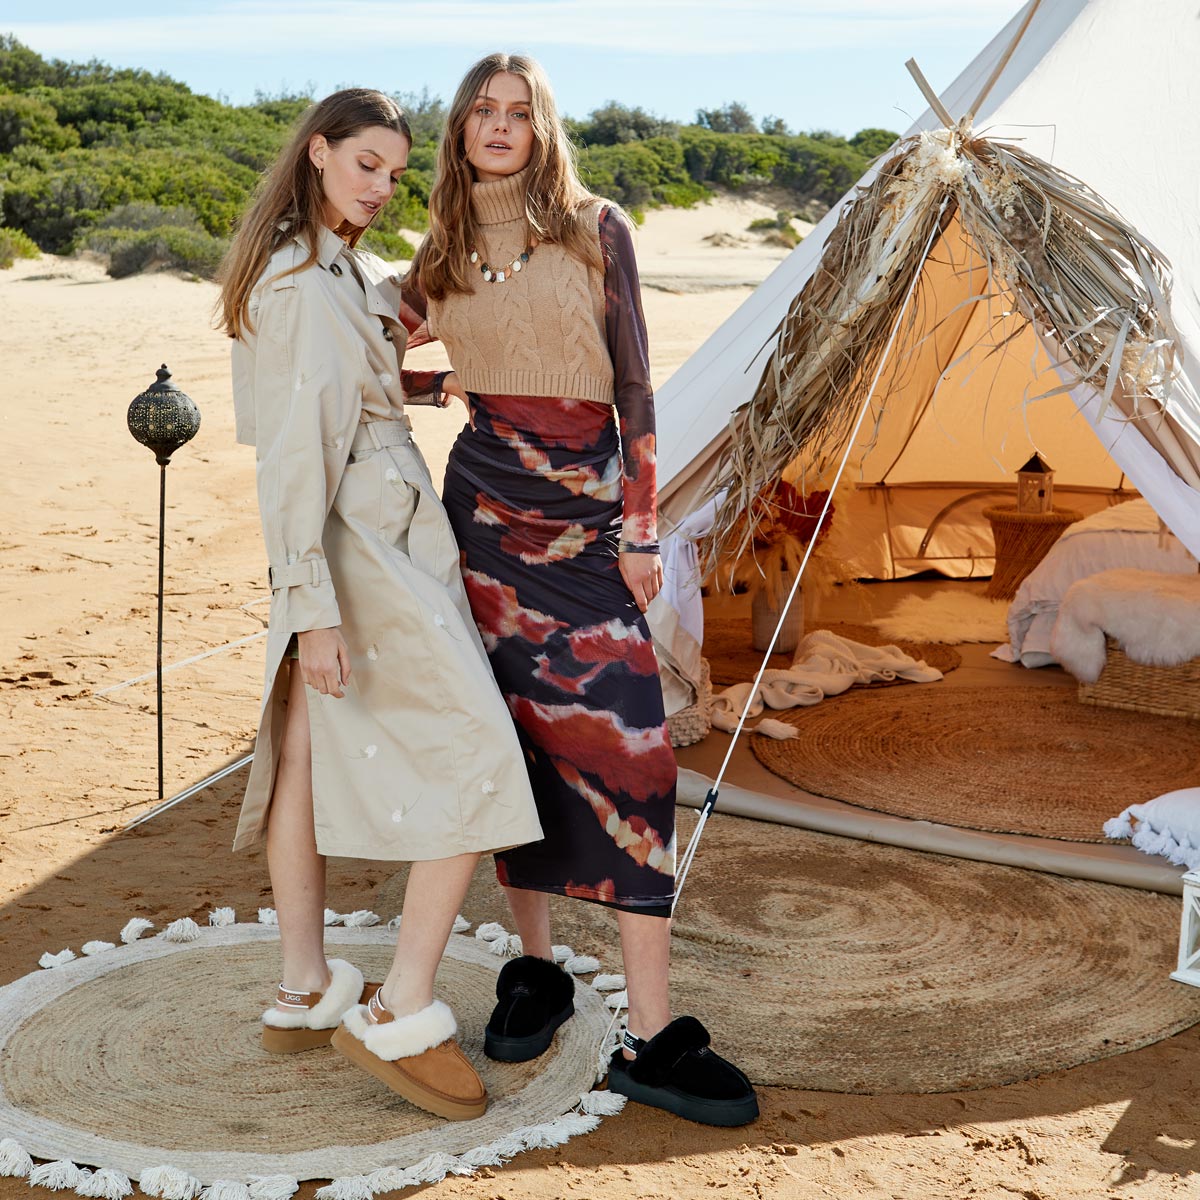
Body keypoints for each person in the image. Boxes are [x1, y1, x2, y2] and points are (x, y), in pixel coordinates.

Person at [401, 55, 758, 1127]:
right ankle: (538, 968)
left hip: (593, 521)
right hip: (483, 522)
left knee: (634, 759)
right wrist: (436, 375)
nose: (500, 127)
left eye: (519, 114)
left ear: (541, 128)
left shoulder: (595, 226)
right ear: (461, 129)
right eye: (483, 112)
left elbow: (636, 380)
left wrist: (642, 524)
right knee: (507, 743)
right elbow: (385, 349)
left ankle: (652, 1033)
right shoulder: (440, 249)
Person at [217, 87, 543, 1123]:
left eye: (395, 173)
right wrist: (312, 610)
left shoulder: (320, 272)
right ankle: (399, 1007)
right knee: (483, 752)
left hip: (358, 527)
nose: (379, 186)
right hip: (358, 552)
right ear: (317, 154)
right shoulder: (311, 286)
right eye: (365, 164)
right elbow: (290, 459)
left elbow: (313, 396)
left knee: (304, 758)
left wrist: (409, 390)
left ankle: (304, 985)